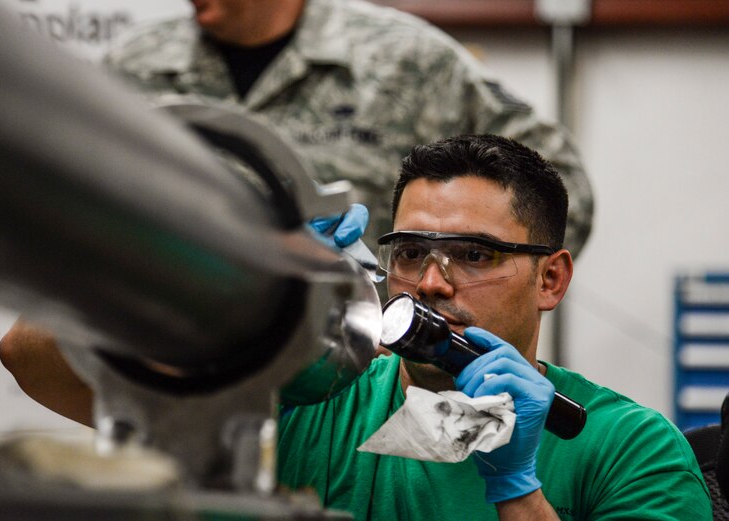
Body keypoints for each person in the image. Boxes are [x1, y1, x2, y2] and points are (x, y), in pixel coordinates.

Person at [276, 135, 711, 520]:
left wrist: (518, 490)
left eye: (475, 256)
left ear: (549, 280)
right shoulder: (316, 400)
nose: (430, 283)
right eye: (410, 253)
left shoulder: (633, 451)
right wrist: (260, 292)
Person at [103, 0, 593, 257]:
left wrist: (456, 281)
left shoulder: (405, 60)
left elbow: (561, 187)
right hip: (173, 369)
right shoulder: (133, 68)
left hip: (360, 392)